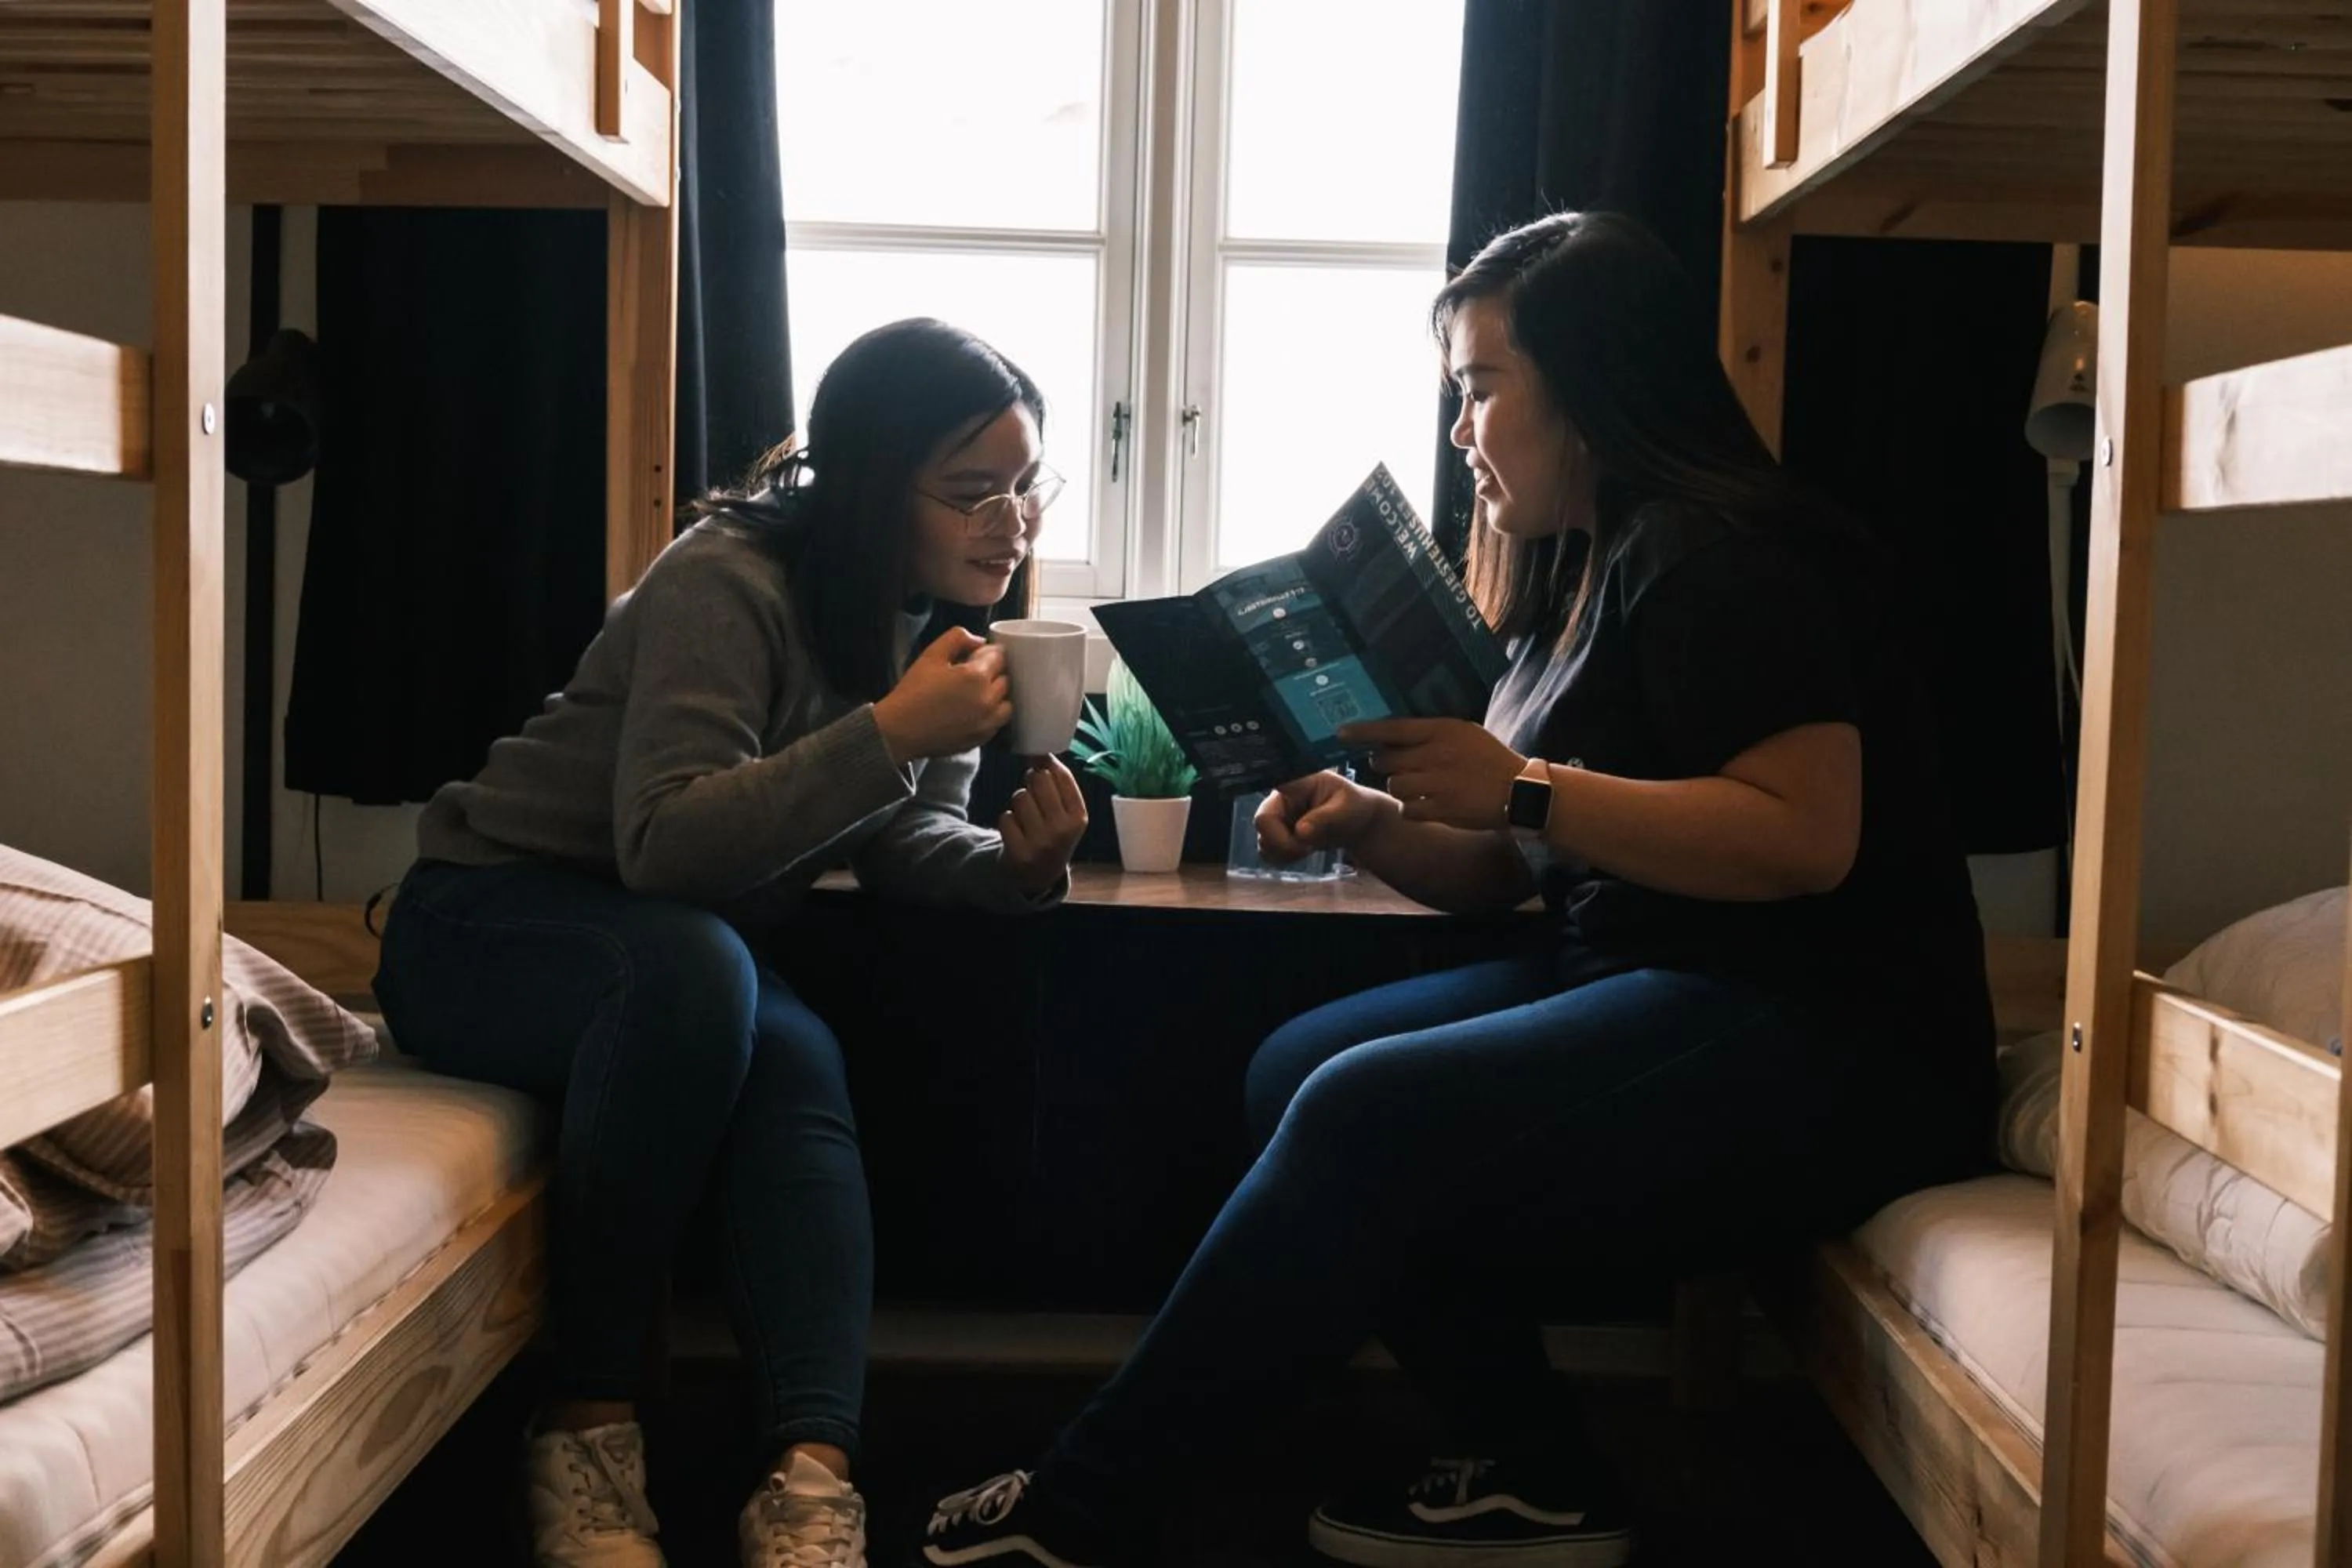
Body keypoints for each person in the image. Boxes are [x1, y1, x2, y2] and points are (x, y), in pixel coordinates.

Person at [909, 212, 1995, 1568]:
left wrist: (1526, 787)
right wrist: (1369, 824)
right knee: (1299, 1064)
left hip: (1830, 1027)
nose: (1465, 430)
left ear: (1593, 383)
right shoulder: (1585, 566)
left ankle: (1082, 1506)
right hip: (1667, 986)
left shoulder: (1736, 555)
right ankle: (1539, 1469)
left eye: (1484, 388)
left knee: (1367, 1110)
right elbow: (1505, 870)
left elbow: (1804, 839)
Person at [372, 318, 1089, 1568]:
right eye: (972, 492)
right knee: (714, 972)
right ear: (872, 482)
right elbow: (662, 842)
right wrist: (889, 728)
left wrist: (1014, 872)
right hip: (486, 922)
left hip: (683, 956)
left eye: (1027, 487)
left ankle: (810, 1480)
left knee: (794, 1060)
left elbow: (911, 838)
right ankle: (587, 1425)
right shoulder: (730, 575)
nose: (1010, 522)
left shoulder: (938, 631)